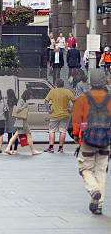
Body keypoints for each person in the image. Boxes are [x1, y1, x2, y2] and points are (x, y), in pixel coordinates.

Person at [71, 69, 110, 215]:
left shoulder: (82, 98)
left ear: (90, 81)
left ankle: (93, 190)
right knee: (101, 170)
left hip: (87, 139)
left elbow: (76, 121)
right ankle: (99, 205)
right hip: (106, 140)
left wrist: (76, 136)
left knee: (85, 168)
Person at [4, 89, 41, 156]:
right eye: (30, 95)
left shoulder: (22, 100)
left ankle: (8, 148)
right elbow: (17, 110)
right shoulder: (21, 101)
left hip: (20, 121)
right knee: (28, 134)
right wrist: (24, 106)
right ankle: (33, 150)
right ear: (27, 95)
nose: (30, 97)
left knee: (16, 135)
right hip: (22, 121)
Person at [43, 78, 75, 153]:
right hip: (65, 114)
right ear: (63, 84)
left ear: (56, 84)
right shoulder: (68, 92)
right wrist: (71, 109)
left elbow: (46, 101)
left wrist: (49, 110)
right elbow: (74, 101)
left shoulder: (52, 91)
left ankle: (51, 148)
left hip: (54, 115)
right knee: (63, 131)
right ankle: (61, 148)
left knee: (52, 131)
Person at [5, 89, 19, 154]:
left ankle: (10, 149)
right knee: (15, 135)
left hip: (9, 119)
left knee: (10, 135)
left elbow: (5, 111)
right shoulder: (17, 101)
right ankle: (15, 149)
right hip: (15, 119)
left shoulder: (7, 101)